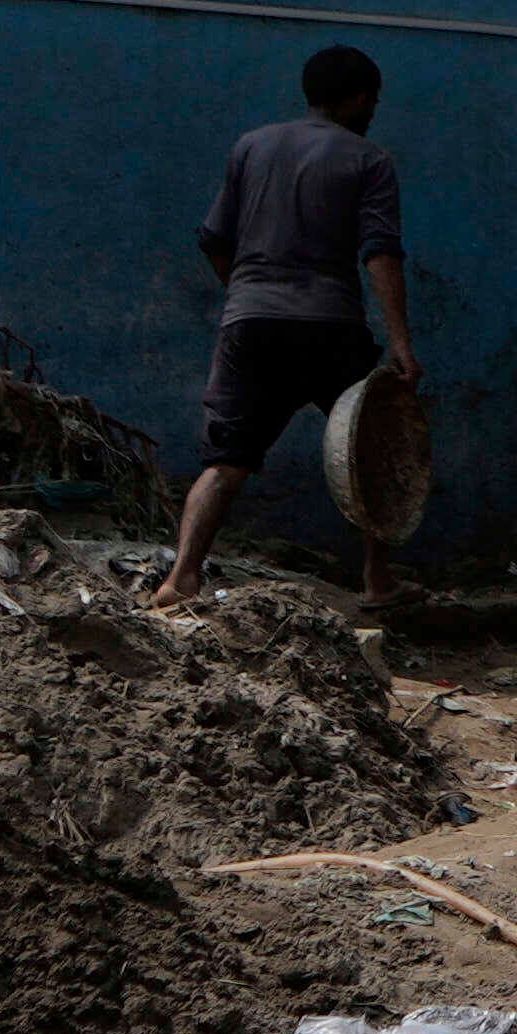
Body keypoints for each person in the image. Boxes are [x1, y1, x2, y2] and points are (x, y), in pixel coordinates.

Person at [164, 41, 420, 619]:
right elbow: (380, 252)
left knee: (226, 462)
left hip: (250, 324)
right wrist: (401, 345)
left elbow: (213, 240)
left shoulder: (251, 146)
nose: (373, 109)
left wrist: (245, 294)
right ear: (357, 99)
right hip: (332, 327)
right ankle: (378, 580)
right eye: (372, 99)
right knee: (372, 454)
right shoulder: (369, 159)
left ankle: (182, 578)